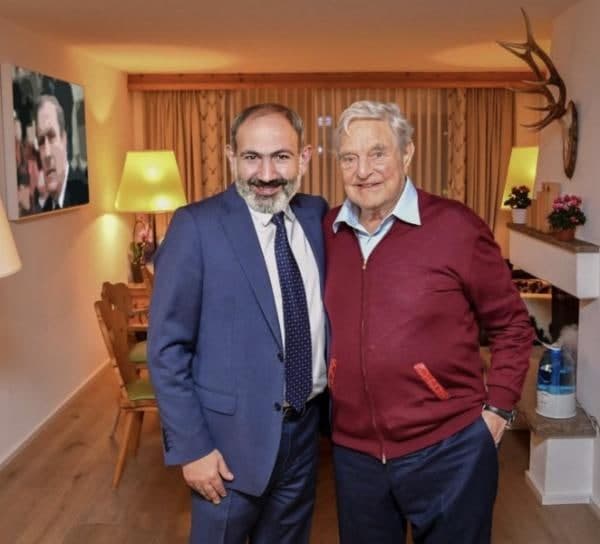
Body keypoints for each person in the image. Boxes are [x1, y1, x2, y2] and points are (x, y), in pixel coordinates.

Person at [323, 100, 533, 544]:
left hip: (449, 448)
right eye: (349, 158)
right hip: (355, 456)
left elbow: (512, 324)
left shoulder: (455, 226)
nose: (363, 171)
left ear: (407, 153)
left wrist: (498, 410)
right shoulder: (328, 231)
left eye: (378, 153)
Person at [148, 103, 328, 543]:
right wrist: (192, 448)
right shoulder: (195, 226)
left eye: (281, 157)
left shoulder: (316, 216)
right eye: (251, 157)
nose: (266, 174)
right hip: (226, 447)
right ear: (231, 157)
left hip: (305, 435)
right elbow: (167, 349)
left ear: (304, 158)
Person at [35, 95, 88, 211]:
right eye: (41, 141)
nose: (47, 154)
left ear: (64, 139)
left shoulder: (85, 193)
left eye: (51, 136)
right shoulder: (45, 208)